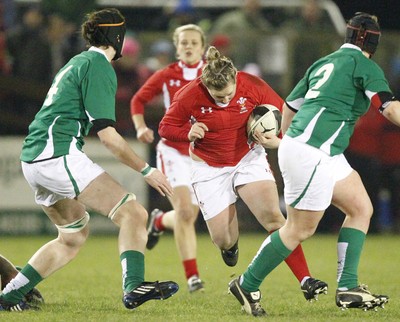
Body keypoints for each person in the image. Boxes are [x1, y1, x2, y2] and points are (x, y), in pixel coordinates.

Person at [0, 8, 178, 312]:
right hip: (56, 153)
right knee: (133, 214)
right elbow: (108, 137)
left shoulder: (78, 61)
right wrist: (147, 170)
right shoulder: (98, 65)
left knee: (72, 236)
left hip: (34, 157)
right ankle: (134, 286)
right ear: (117, 37)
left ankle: (10, 295)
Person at [228, 13, 395, 315]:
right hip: (313, 152)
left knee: (360, 209)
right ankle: (247, 283)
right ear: (373, 40)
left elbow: (288, 107)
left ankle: (348, 288)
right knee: (299, 229)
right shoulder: (365, 66)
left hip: (320, 151)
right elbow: (389, 109)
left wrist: (289, 144)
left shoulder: (323, 62)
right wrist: (298, 148)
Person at [158, 45, 327, 310]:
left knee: (274, 217)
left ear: (236, 79)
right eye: (217, 97)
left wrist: (276, 138)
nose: (224, 100)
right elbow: (166, 127)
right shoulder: (189, 95)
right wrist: (188, 132)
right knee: (223, 238)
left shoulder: (252, 85)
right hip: (209, 167)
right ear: (205, 84)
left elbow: (282, 112)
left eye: (227, 95)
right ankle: (229, 246)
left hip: (248, 157)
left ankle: (305, 279)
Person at [131, 24, 206, 293]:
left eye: (193, 42)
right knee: (186, 212)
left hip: (202, 155)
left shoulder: (212, 74)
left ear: (202, 47)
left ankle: (159, 221)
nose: (188, 46)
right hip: (173, 150)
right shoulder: (167, 74)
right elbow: (138, 100)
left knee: (188, 216)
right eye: (183, 42)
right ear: (177, 47)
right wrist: (140, 127)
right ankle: (193, 277)